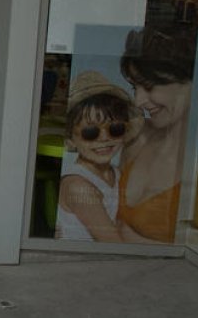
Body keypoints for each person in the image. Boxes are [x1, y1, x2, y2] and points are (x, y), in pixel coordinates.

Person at [116, 25, 195, 244]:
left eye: (149, 86)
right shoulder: (137, 137)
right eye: (135, 87)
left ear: (190, 84)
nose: (138, 101)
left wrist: (128, 237)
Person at [55, 71, 140, 242]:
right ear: (71, 140)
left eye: (115, 129)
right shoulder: (78, 186)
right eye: (90, 132)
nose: (104, 138)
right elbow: (114, 243)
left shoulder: (116, 174)